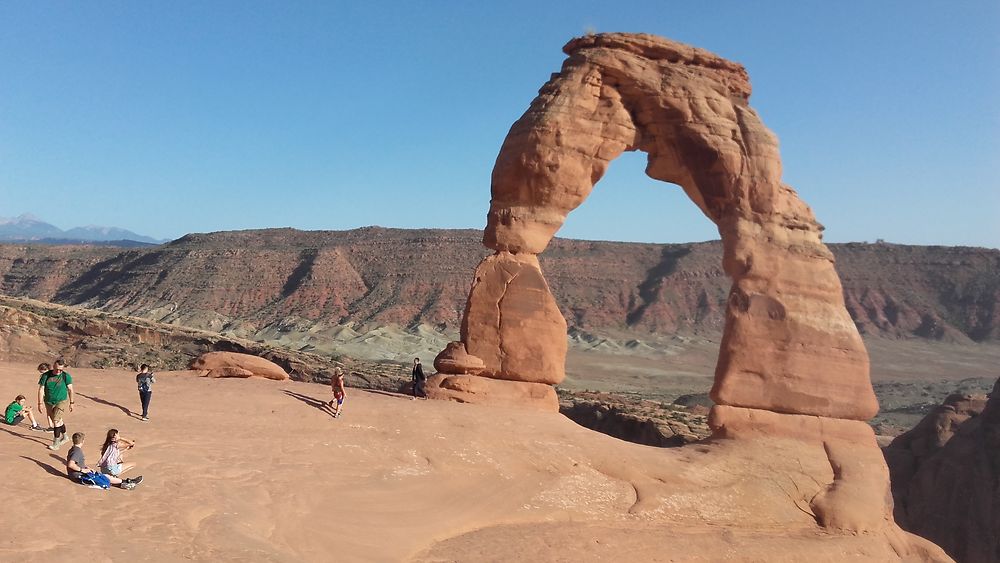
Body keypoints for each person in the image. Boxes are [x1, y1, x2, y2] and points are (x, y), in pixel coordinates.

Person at [65, 432, 142, 490]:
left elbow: (75, 463)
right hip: (78, 476)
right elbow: (71, 464)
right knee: (105, 477)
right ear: (83, 441)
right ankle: (127, 482)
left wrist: (85, 468)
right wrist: (82, 470)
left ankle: (124, 482)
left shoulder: (73, 449)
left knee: (105, 477)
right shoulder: (77, 451)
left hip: (76, 474)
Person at [37, 359, 74, 450]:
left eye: (61, 370)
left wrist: (72, 402)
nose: (59, 371)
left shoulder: (66, 376)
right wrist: (40, 403)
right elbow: (41, 389)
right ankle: (65, 437)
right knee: (58, 420)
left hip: (61, 401)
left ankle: (56, 443)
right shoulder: (45, 376)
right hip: (49, 401)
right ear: (53, 366)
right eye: (57, 369)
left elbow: (70, 390)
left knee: (56, 421)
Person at [37, 363, 54, 430]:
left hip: (53, 396)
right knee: (49, 412)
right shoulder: (43, 377)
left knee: (54, 414)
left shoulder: (53, 376)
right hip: (47, 397)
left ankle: (57, 426)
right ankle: (51, 426)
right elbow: (41, 389)